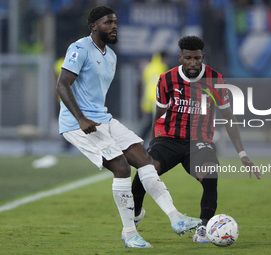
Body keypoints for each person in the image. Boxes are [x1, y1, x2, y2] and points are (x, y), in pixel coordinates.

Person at [56, 6, 201, 249]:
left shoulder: (111, 56)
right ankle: (130, 232)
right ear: (93, 26)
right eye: (107, 22)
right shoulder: (79, 49)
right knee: (121, 167)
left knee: (145, 158)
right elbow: (62, 85)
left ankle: (176, 218)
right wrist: (81, 119)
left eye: (115, 22)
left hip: (103, 118)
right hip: (77, 123)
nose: (114, 26)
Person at [131, 35, 261, 244]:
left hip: (199, 142)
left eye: (197, 58)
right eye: (189, 58)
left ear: (203, 57)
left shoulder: (215, 80)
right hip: (169, 138)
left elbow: (229, 118)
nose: (193, 63)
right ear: (180, 57)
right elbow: (159, 114)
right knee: (144, 172)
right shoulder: (166, 79)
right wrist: (154, 143)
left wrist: (242, 154)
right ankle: (136, 214)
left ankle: (204, 229)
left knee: (210, 174)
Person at [139, 51, 170, 143]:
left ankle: (141, 141)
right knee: (158, 123)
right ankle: (156, 143)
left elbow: (144, 83)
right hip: (157, 99)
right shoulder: (162, 67)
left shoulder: (148, 67)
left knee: (149, 123)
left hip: (147, 99)